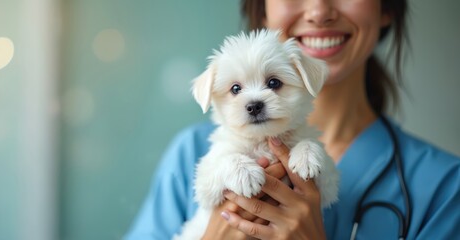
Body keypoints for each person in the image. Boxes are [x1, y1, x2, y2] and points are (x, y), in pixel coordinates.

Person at [125, 0, 460, 239]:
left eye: (273, 84)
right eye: (238, 89)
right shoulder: (190, 151)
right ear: (262, 7)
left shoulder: (445, 190)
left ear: (387, 7)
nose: (319, 10)